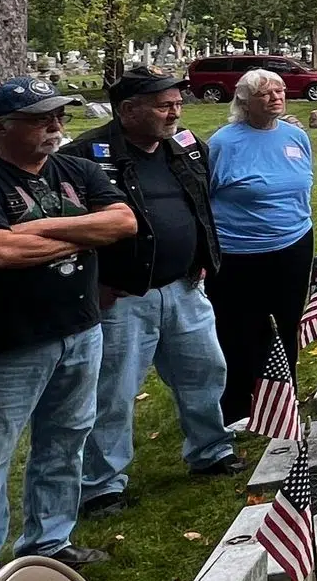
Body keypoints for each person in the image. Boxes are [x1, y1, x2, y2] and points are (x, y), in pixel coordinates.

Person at [0, 78, 136, 581]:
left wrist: (34, 233)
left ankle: (50, 543)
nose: (56, 126)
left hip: (80, 331)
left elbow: (124, 222)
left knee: (66, 441)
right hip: (7, 344)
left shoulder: (78, 168)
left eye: (59, 115)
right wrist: (81, 233)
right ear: (1, 127)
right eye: (41, 118)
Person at [66, 68, 241, 516]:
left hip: (184, 286)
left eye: (177, 103)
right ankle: (104, 484)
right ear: (128, 110)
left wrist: (202, 255)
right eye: (164, 106)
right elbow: (68, 230)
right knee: (114, 389)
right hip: (121, 297)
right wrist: (94, 282)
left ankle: (210, 451)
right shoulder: (85, 156)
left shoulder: (185, 147)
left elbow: (200, 205)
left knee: (205, 372)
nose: (175, 112)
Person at [205, 68, 316, 429]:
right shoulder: (224, 143)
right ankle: (237, 404)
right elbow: (205, 198)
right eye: (266, 93)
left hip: (294, 244)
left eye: (280, 90)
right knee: (239, 329)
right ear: (244, 101)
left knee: (287, 322)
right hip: (240, 252)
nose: (276, 97)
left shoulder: (296, 136)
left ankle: (284, 398)